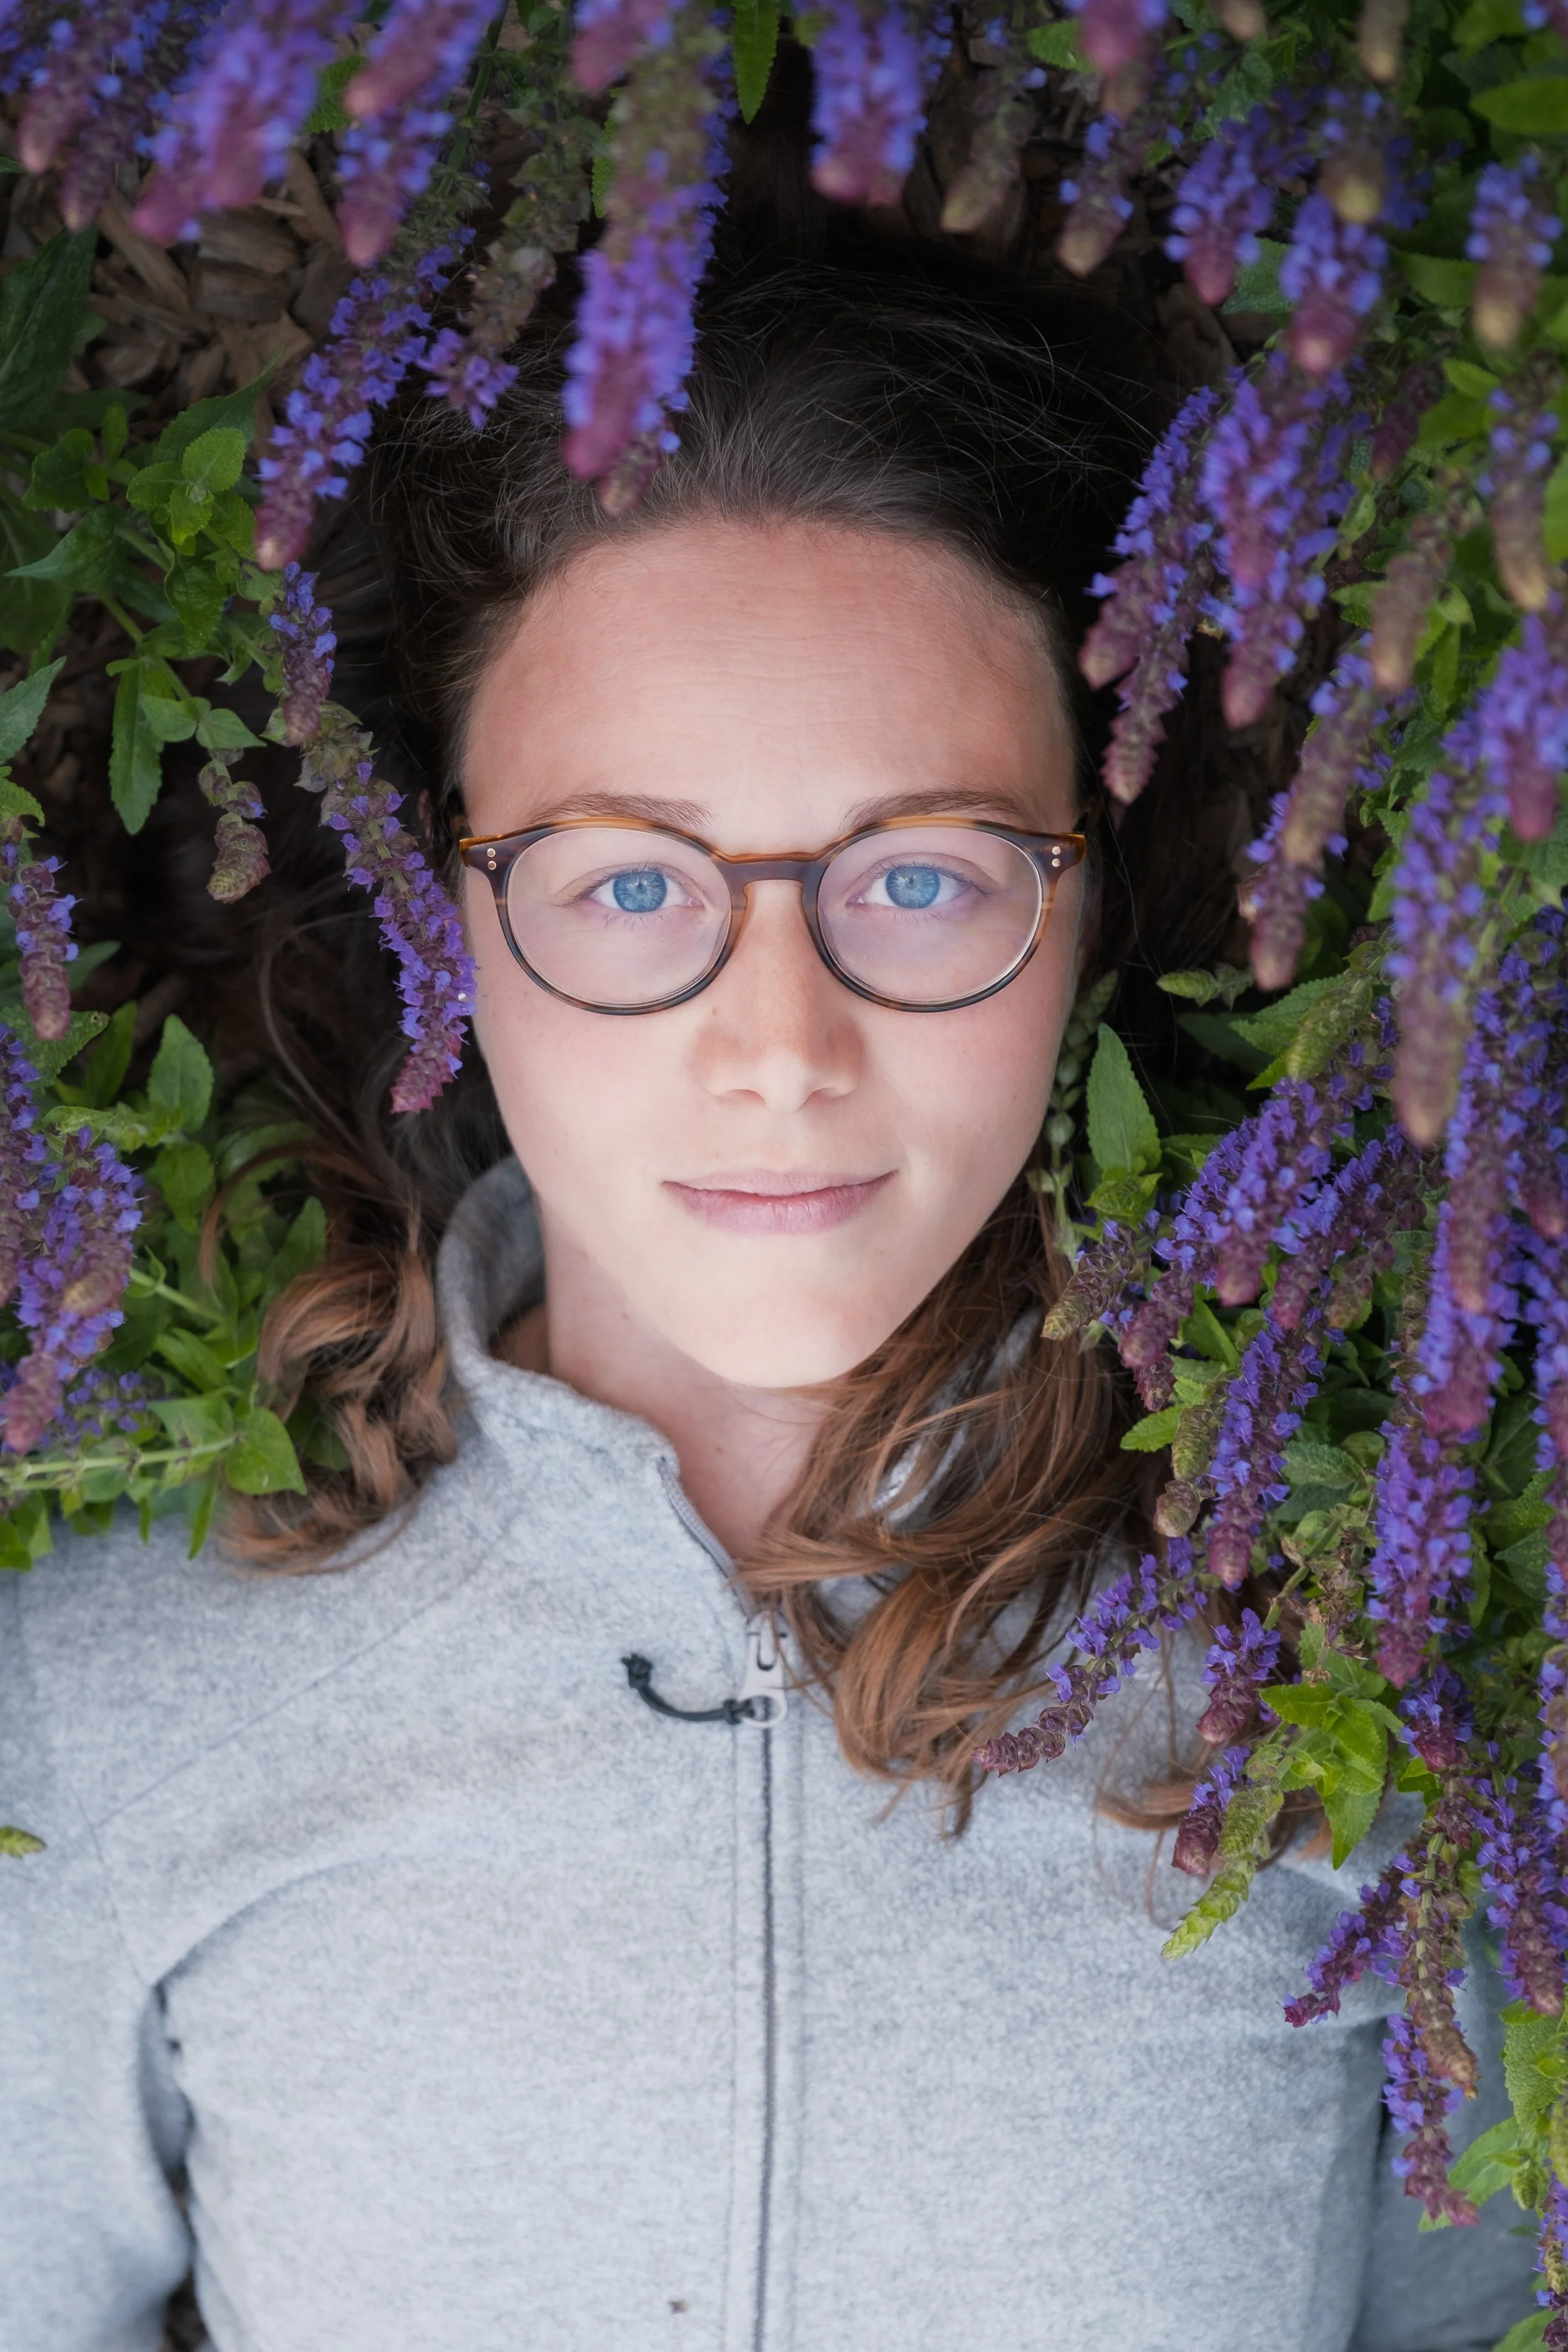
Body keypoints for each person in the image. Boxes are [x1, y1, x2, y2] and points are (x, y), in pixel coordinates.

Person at [0, 248, 1533, 2352]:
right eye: (631, 882)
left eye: (921, 872)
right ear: (446, 900)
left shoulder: (1372, 1685)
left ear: (1083, 888)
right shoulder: (104, 1700)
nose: (780, 1044)